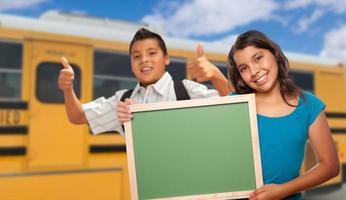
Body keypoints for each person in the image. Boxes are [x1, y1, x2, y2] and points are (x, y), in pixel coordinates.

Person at [227, 30, 339, 200]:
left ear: (275, 54)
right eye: (244, 68)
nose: (254, 71)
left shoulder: (309, 105)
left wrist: (282, 190)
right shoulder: (235, 103)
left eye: (258, 58)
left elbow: (330, 166)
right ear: (240, 75)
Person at [58, 28, 232, 135]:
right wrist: (68, 88)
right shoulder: (123, 101)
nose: (144, 60)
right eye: (136, 56)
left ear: (166, 58)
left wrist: (215, 75)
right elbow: (77, 116)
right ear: (131, 64)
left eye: (152, 53)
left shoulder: (185, 91)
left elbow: (235, 107)